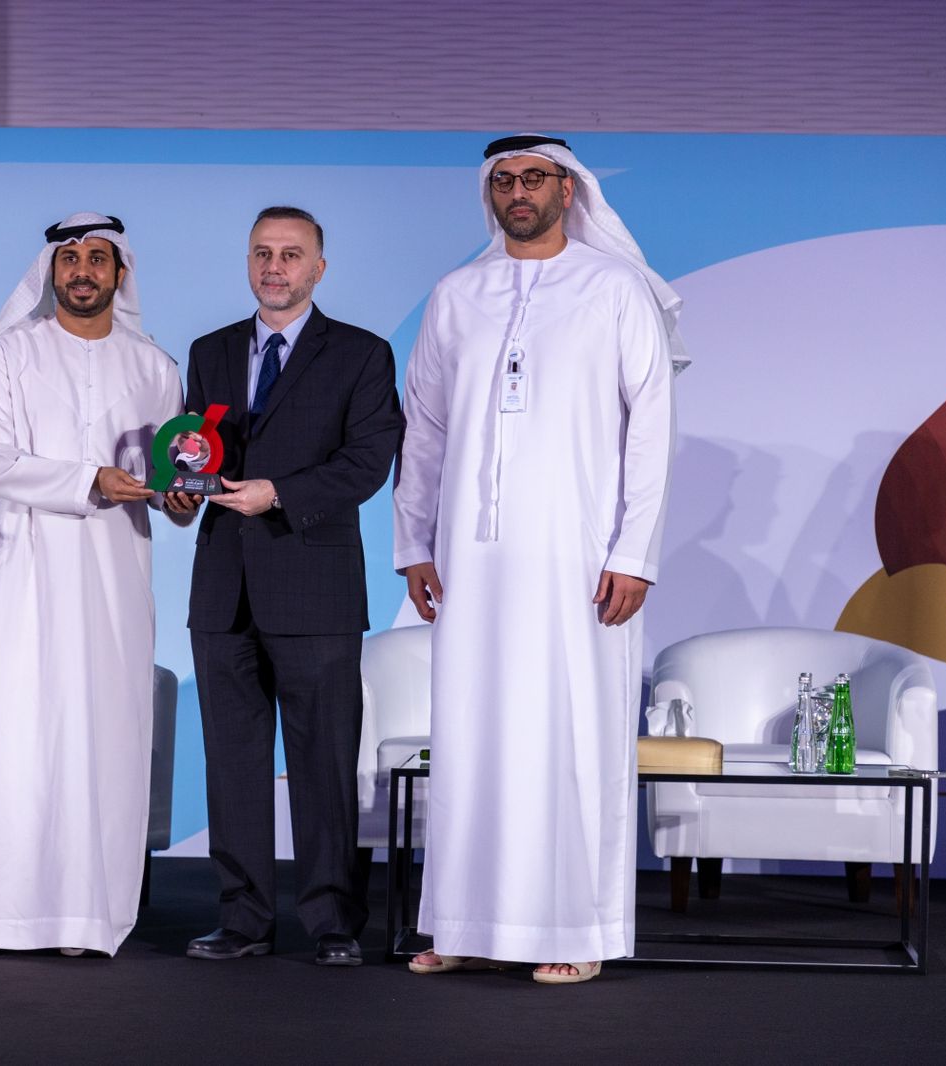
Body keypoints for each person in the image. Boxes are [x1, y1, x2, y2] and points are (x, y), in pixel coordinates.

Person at [392, 135, 681, 983]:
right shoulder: (457, 295)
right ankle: (463, 923)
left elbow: (652, 428)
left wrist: (635, 551)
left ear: (568, 190)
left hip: (579, 555)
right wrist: (414, 541)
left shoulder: (615, 288)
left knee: (572, 733)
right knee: (471, 732)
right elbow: (426, 428)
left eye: (533, 178)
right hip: (472, 556)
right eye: (503, 181)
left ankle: (575, 932)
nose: (517, 192)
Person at [0, 212, 188, 957]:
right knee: (15, 733)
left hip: (116, 577)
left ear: (121, 273)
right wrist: (92, 480)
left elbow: (170, 473)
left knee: (106, 736)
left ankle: (85, 917)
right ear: (51, 271)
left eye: (98, 259)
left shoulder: (154, 368)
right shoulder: (4, 357)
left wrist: (180, 500)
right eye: (70, 259)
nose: (82, 271)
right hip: (24, 571)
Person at [177, 206, 403, 967]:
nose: (274, 267)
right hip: (223, 587)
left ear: (318, 268)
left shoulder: (362, 354)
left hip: (315, 586)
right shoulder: (209, 350)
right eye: (262, 253)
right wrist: (179, 490)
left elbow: (367, 463)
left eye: (290, 254)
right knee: (232, 765)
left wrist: (279, 493)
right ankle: (242, 920)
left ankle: (333, 923)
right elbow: (195, 451)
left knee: (324, 763)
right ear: (248, 261)